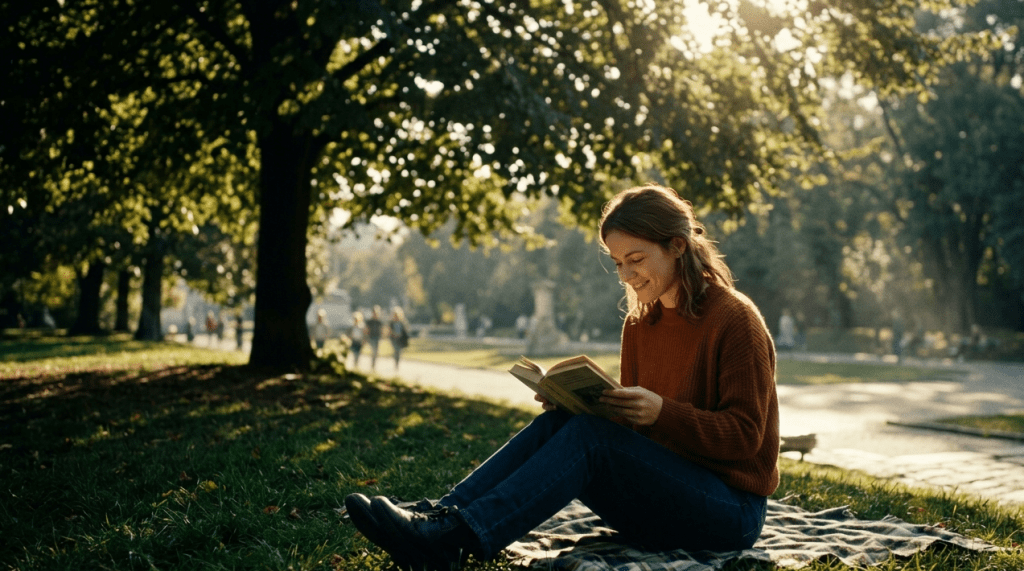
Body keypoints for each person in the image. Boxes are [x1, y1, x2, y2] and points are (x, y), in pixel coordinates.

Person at [345, 183, 779, 570]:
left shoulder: (734, 319)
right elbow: (635, 436)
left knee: (591, 437)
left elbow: (745, 438)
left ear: (677, 246)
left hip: (730, 512)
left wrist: (662, 412)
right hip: (662, 498)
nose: (626, 275)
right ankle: (440, 518)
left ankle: (456, 540)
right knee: (561, 423)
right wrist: (581, 403)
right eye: (618, 263)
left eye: (636, 259)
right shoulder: (639, 323)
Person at [388, 307, 410, 372]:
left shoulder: (402, 322)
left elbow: (406, 330)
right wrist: (393, 334)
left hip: (400, 339)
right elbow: (389, 331)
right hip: (394, 339)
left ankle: (397, 363)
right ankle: (396, 363)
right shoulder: (391, 323)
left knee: (399, 352)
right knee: (396, 350)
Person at [365, 306, 384, 371]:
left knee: (376, 352)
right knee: (374, 351)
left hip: (377, 338)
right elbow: (367, 330)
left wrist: (382, 336)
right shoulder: (369, 321)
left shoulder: (379, 321)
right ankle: (372, 365)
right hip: (371, 337)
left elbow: (382, 330)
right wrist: (366, 337)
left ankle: (373, 365)